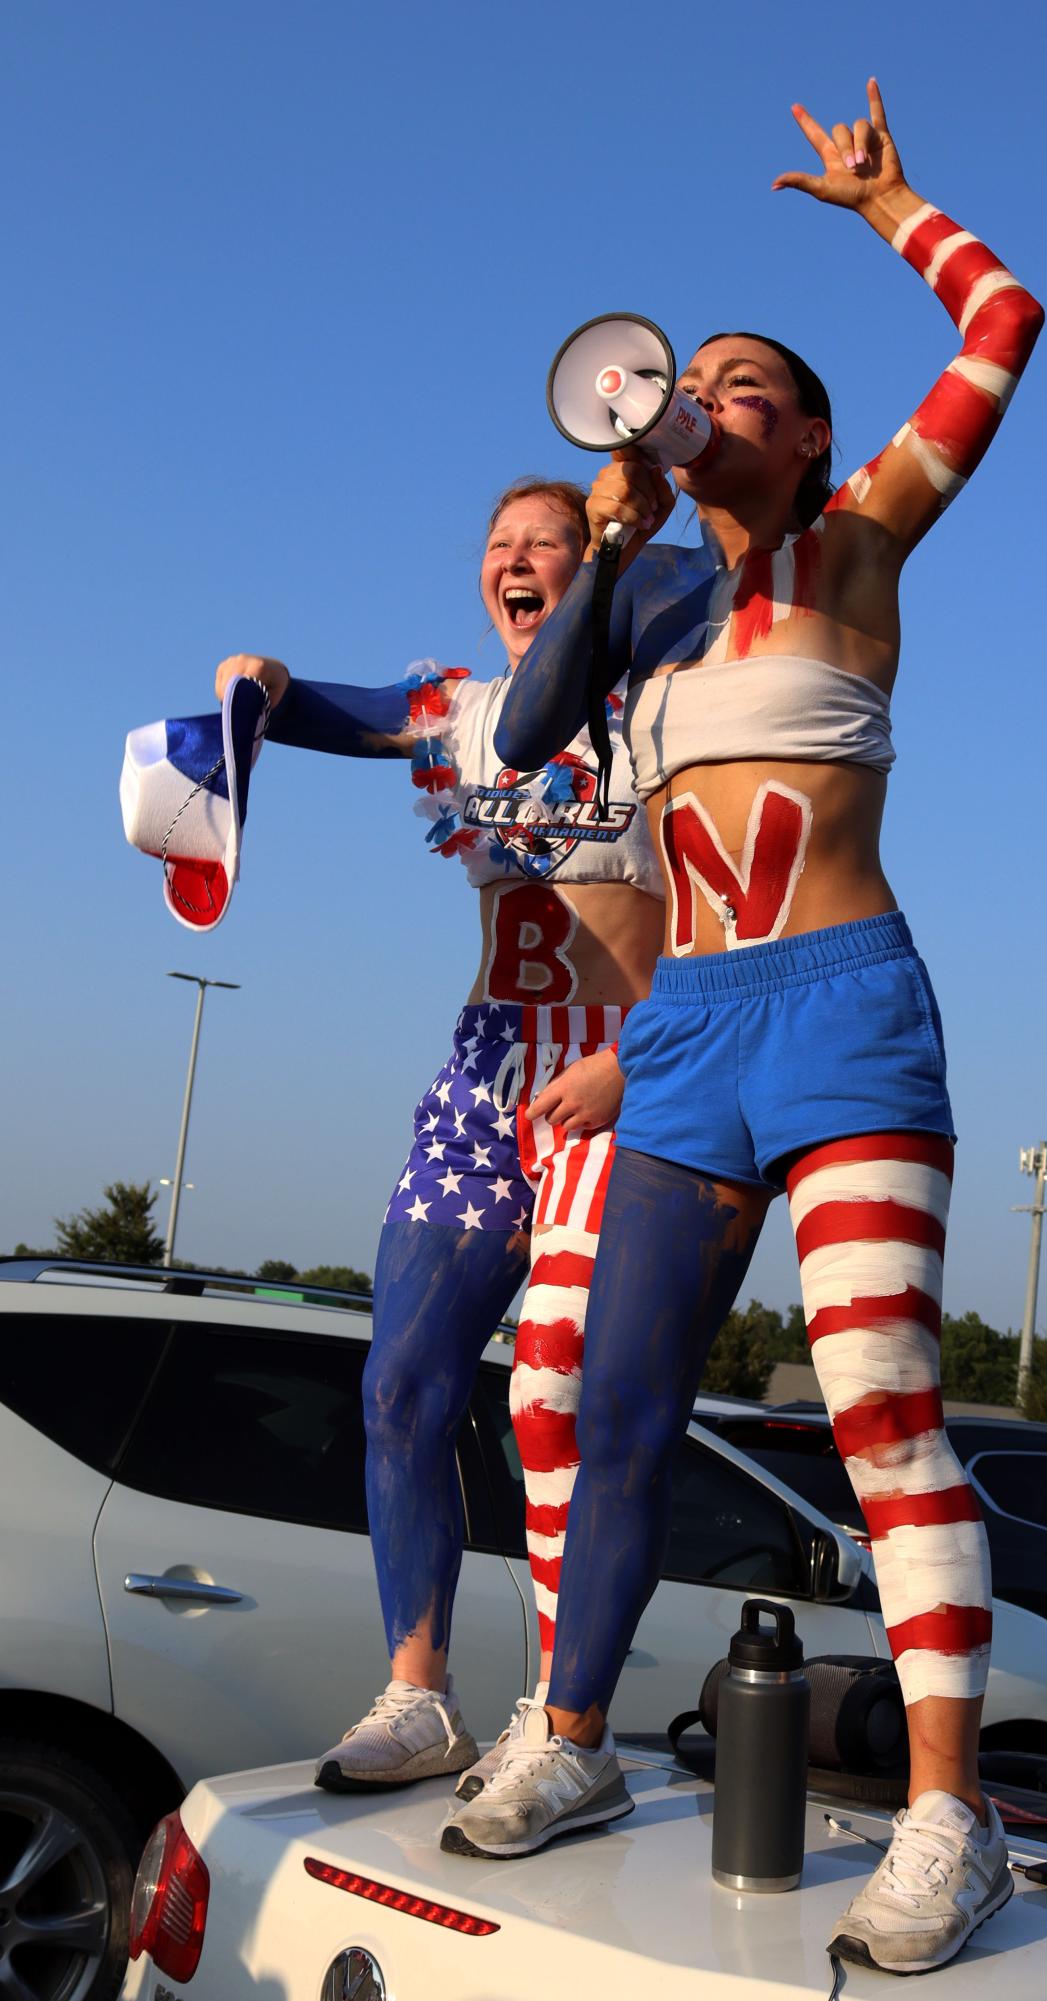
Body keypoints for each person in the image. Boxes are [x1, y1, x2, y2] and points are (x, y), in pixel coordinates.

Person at [443, 83, 1045, 1976]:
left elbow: (1006, 322)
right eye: (678, 378)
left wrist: (891, 203)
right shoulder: (668, 608)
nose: (693, 396)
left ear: (809, 437)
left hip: (847, 1016)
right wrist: (609, 544)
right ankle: (577, 1737)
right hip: (691, 1031)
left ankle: (957, 1811)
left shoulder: (862, 539)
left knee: (877, 1400)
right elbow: (530, 732)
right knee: (611, 1409)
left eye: (736, 387)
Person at [214, 477, 663, 1798]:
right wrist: (256, 681)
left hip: (615, 1061)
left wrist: (636, 1062)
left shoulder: (662, 713)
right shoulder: (466, 715)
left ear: (598, 568)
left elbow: (735, 907)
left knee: (554, 1392)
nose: (517, 562)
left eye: (548, 545)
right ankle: (419, 1695)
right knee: (401, 1385)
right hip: (488, 1067)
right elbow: (308, 708)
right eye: (499, 547)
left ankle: (561, 1722)